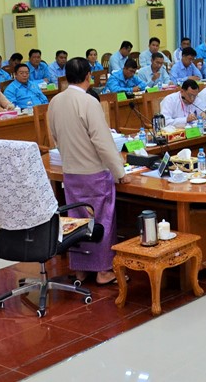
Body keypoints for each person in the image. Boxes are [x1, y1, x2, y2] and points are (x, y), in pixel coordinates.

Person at [48, 57, 132, 286]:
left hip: (70, 172)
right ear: (88, 76)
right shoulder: (88, 102)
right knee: (101, 220)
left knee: (76, 220)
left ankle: (81, 270)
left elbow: (54, 135)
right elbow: (102, 142)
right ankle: (103, 270)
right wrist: (120, 172)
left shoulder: (55, 101)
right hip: (93, 172)